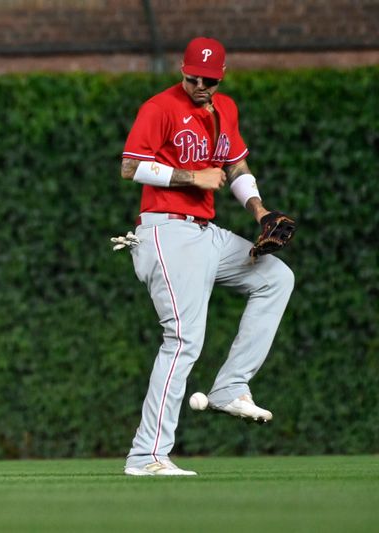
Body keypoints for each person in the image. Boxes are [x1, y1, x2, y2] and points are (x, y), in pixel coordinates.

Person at [119, 37, 295, 476]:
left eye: (209, 79)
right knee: (183, 341)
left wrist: (260, 211)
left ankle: (231, 386)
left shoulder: (225, 109)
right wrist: (191, 175)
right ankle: (147, 456)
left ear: (221, 77)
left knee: (275, 277)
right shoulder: (160, 107)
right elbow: (130, 165)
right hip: (166, 230)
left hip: (205, 235)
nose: (200, 84)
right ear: (182, 70)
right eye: (193, 76)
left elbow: (235, 167)